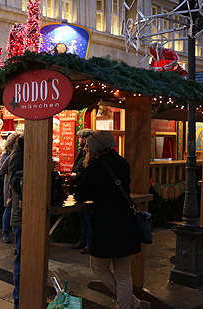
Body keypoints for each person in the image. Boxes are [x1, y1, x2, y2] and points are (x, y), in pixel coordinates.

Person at [74, 131, 150, 309]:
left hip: (105, 224)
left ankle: (136, 304)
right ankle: (135, 305)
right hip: (126, 221)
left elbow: (81, 194)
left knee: (99, 269)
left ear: (95, 147)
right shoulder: (122, 162)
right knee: (124, 275)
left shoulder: (95, 165)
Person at [69, 128, 94, 254]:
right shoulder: (82, 152)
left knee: (88, 219)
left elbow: (87, 173)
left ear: (85, 139)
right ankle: (83, 241)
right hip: (80, 188)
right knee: (83, 218)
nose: (78, 140)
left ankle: (89, 244)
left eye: (80, 138)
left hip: (87, 191)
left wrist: (76, 175)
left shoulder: (90, 153)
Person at [8, 136, 24, 309]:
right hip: (21, 215)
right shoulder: (18, 155)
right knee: (21, 258)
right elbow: (15, 181)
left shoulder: (20, 153)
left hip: (31, 213)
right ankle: (18, 300)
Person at [0, 132, 22, 243]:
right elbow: (2, 170)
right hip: (9, 185)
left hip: (16, 185)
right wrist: (11, 156)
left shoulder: (21, 153)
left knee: (15, 210)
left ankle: (15, 235)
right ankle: (5, 233)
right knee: (8, 208)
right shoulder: (5, 155)